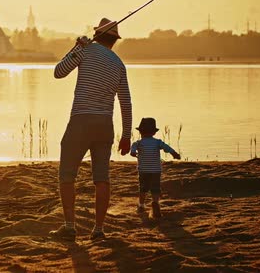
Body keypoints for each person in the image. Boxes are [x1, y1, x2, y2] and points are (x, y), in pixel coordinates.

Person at [49, 18, 132, 241]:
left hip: (81, 121)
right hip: (105, 125)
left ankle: (69, 225)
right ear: (114, 40)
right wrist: (126, 135)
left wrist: (77, 47)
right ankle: (98, 229)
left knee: (67, 174)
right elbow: (126, 103)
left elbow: (59, 72)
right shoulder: (119, 64)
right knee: (102, 177)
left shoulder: (85, 50)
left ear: (97, 35)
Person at [130, 117, 181, 219]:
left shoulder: (139, 143)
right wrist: (174, 153)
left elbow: (133, 147)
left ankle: (141, 205)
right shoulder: (157, 142)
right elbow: (167, 147)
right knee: (155, 188)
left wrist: (132, 152)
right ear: (154, 132)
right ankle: (155, 203)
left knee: (143, 189)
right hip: (156, 171)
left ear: (140, 132)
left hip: (143, 171)